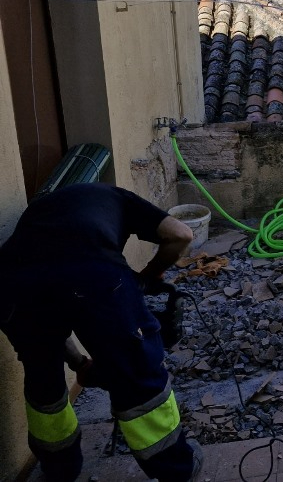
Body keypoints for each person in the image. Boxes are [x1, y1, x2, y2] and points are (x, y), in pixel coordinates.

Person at [0, 183, 203, 481]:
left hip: (11, 287)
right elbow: (180, 234)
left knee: (43, 377)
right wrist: (148, 274)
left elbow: (48, 316)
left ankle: (59, 469)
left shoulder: (40, 212)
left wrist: (80, 365)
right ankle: (176, 467)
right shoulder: (118, 197)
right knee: (137, 370)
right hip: (93, 277)